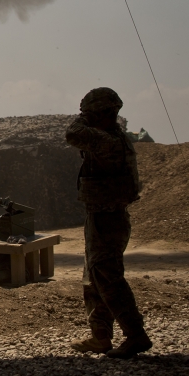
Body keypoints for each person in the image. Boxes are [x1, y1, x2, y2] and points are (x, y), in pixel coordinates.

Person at [66, 87, 152, 359]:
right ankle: (100, 336)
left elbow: (73, 134)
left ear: (104, 114)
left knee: (108, 278)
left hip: (107, 217)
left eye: (91, 114)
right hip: (102, 215)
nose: (87, 118)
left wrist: (82, 116)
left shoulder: (108, 141)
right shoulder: (115, 137)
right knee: (94, 277)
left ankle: (135, 335)